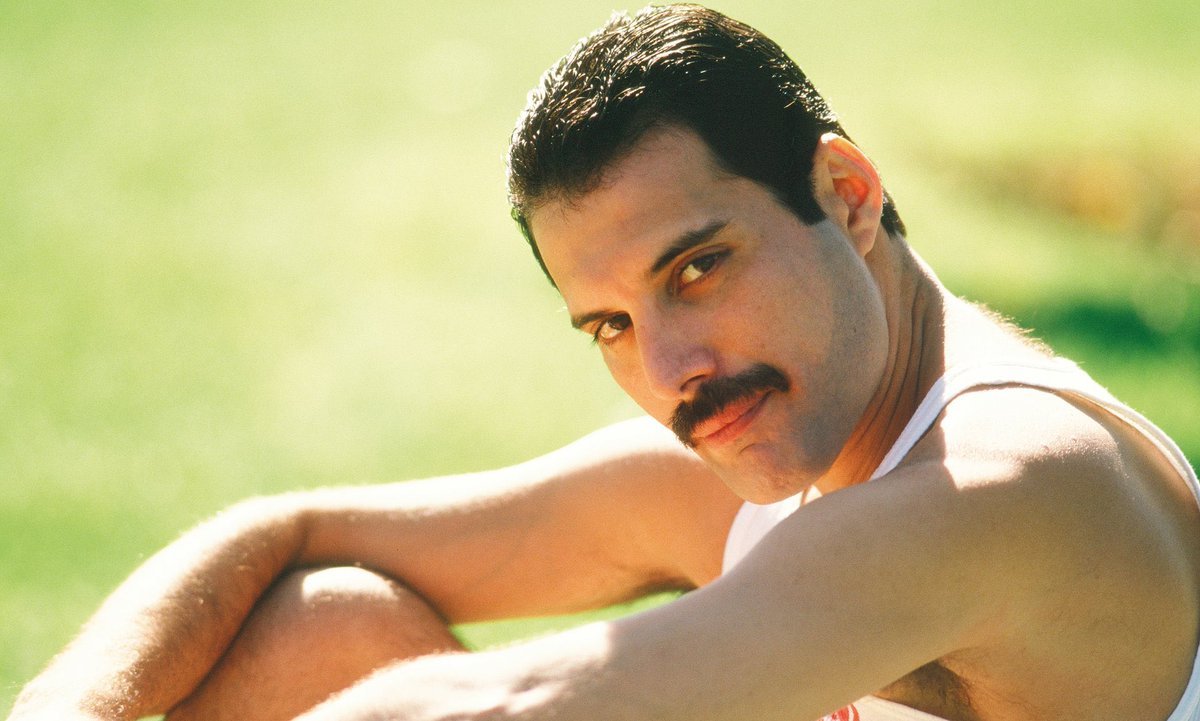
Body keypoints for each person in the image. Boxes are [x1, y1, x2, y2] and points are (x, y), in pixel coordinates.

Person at [10, 4, 1200, 721]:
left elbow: (516, 706)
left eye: (698, 268)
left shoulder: (1010, 484)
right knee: (317, 627)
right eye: (611, 325)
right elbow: (292, 531)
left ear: (846, 194)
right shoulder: (772, 447)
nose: (673, 364)